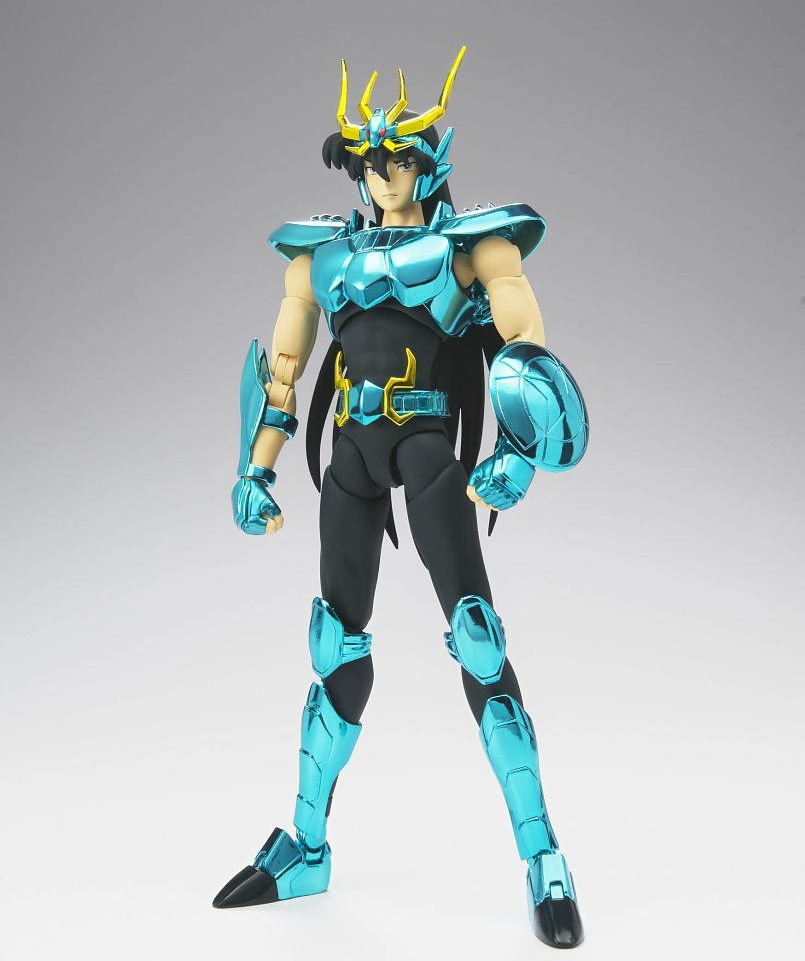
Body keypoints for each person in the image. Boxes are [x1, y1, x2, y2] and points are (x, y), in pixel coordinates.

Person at [214, 46, 589, 949]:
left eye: (403, 159)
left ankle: (543, 856)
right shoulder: (320, 256)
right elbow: (285, 369)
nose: (385, 174)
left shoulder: (471, 245)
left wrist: (516, 456)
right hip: (351, 453)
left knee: (477, 639)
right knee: (334, 646)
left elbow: (527, 350)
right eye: (370, 159)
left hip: (427, 447)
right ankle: (307, 845)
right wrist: (255, 467)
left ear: (431, 162)